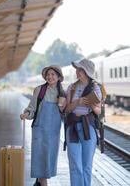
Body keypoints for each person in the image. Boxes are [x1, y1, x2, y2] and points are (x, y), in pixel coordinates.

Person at [20, 65, 66, 186]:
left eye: (53, 75)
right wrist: (26, 114)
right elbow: (32, 108)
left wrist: (63, 107)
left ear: (59, 77)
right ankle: (42, 183)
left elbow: (65, 113)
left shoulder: (62, 93)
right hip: (39, 130)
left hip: (53, 132)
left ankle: (40, 183)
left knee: (49, 159)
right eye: (48, 74)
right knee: (39, 159)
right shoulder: (39, 90)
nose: (50, 77)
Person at [65, 58, 102, 186]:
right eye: (77, 69)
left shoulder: (96, 88)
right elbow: (66, 109)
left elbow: (98, 111)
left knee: (86, 165)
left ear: (86, 72)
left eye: (80, 70)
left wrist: (91, 104)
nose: (77, 72)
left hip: (88, 127)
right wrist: (78, 102)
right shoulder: (72, 87)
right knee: (75, 163)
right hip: (72, 126)